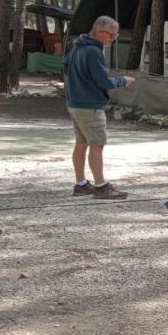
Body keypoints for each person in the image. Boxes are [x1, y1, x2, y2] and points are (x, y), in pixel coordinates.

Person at [63, 16, 135, 199]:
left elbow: (65, 68)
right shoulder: (93, 51)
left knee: (82, 143)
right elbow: (104, 80)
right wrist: (123, 81)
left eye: (115, 35)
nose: (113, 39)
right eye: (111, 35)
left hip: (74, 103)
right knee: (97, 145)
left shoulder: (77, 46)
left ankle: (81, 185)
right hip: (90, 106)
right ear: (99, 32)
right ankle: (101, 186)